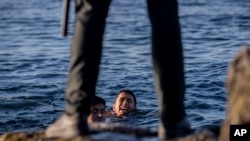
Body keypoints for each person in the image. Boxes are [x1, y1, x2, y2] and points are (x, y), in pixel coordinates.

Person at [46, 0, 192, 140]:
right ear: (113, 106)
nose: (125, 104)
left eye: (129, 101)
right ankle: (174, 120)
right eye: (121, 100)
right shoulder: (108, 114)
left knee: (90, 11)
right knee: (164, 11)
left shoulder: (134, 116)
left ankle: (76, 117)